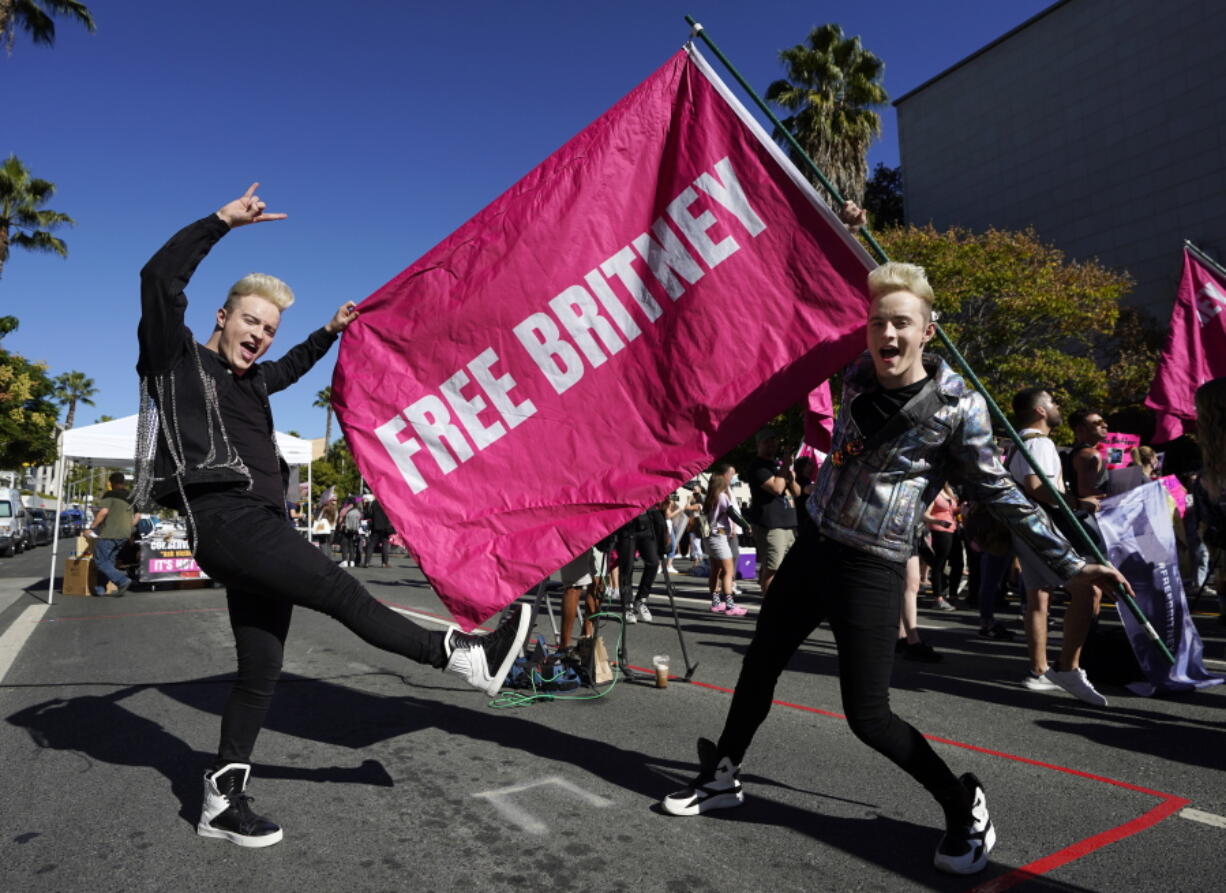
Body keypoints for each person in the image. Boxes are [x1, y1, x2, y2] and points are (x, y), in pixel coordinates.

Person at [660, 258, 1131, 876]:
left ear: (927, 331)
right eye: (879, 322)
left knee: (869, 717)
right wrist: (852, 226)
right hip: (814, 547)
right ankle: (723, 773)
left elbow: (1002, 493)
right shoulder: (856, 373)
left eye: (902, 323)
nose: (888, 335)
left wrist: (1069, 564)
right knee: (760, 666)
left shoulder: (959, 408)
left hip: (874, 565)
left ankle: (965, 806)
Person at [132, 184, 531, 848]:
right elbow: (157, 276)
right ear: (222, 315)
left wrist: (326, 332)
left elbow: (287, 369)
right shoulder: (175, 360)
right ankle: (462, 656)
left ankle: (221, 798)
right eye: (250, 321)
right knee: (339, 588)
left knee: (261, 670)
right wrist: (221, 222)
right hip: (226, 519)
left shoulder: (250, 379)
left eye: (267, 328)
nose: (258, 335)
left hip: (261, 525)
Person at [1007, 389, 1109, 705]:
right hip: (1044, 530)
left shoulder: (1017, 444)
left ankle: (1041, 670)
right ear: (1040, 410)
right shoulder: (1039, 442)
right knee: (1089, 589)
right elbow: (1037, 488)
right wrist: (1079, 504)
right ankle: (1067, 667)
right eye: (1052, 402)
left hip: (1028, 529)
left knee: (1039, 596)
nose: (1057, 406)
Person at [745, 430, 800, 593]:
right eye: (767, 441)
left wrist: (791, 475)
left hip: (788, 524)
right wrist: (785, 467)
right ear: (758, 445)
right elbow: (776, 488)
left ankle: (779, 605)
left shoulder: (778, 466)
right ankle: (769, 610)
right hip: (771, 524)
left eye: (774, 441)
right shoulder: (757, 467)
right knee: (772, 568)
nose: (772, 444)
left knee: (786, 569)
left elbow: (796, 492)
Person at [88, 471, 137, 597]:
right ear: (123, 482)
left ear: (111, 483)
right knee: (108, 561)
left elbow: (103, 512)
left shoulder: (110, 494)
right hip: (125, 534)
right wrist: (130, 528)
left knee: (99, 560)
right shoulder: (130, 496)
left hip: (110, 532)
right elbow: (137, 515)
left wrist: (92, 527)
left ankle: (122, 580)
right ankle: (100, 589)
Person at [362, 495, 394, 568]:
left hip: (375, 526)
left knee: (371, 544)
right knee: (385, 545)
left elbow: (370, 514)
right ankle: (384, 563)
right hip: (385, 527)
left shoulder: (374, 503)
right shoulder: (387, 503)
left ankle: (367, 562)